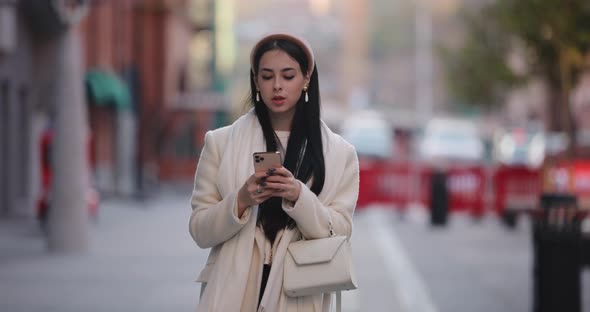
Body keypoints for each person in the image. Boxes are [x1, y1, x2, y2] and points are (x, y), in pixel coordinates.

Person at [188, 32, 359, 312]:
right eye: (267, 76)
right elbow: (199, 230)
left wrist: (299, 197)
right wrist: (240, 201)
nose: (277, 86)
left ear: (306, 79)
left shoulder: (340, 154)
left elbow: (341, 231)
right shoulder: (219, 143)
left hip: (300, 295)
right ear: (256, 81)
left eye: (288, 76)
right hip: (231, 294)